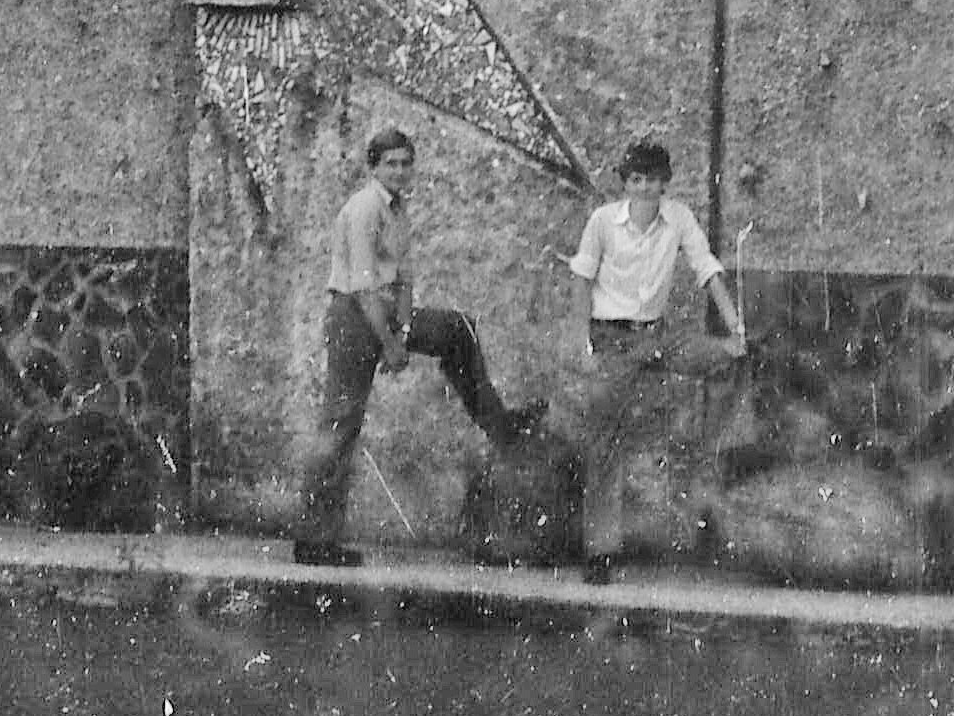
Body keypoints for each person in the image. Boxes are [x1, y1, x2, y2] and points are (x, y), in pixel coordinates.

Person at [293, 127, 536, 566]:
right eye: (391, 163)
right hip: (354, 316)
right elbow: (364, 290)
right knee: (340, 424)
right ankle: (314, 539)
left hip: (386, 313)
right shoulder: (364, 209)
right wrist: (389, 344)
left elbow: (404, 280)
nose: (400, 171)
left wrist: (405, 333)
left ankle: (498, 422)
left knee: (457, 329)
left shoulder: (399, 209)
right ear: (373, 167)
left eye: (406, 163)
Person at [569, 137, 746, 582]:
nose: (644, 188)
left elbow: (706, 268)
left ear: (665, 183)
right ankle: (600, 553)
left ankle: (707, 465)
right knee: (605, 442)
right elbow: (582, 281)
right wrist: (583, 346)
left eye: (652, 180)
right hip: (612, 340)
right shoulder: (603, 222)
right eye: (636, 180)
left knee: (726, 358)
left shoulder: (678, 217)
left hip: (658, 336)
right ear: (625, 183)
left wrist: (734, 326)